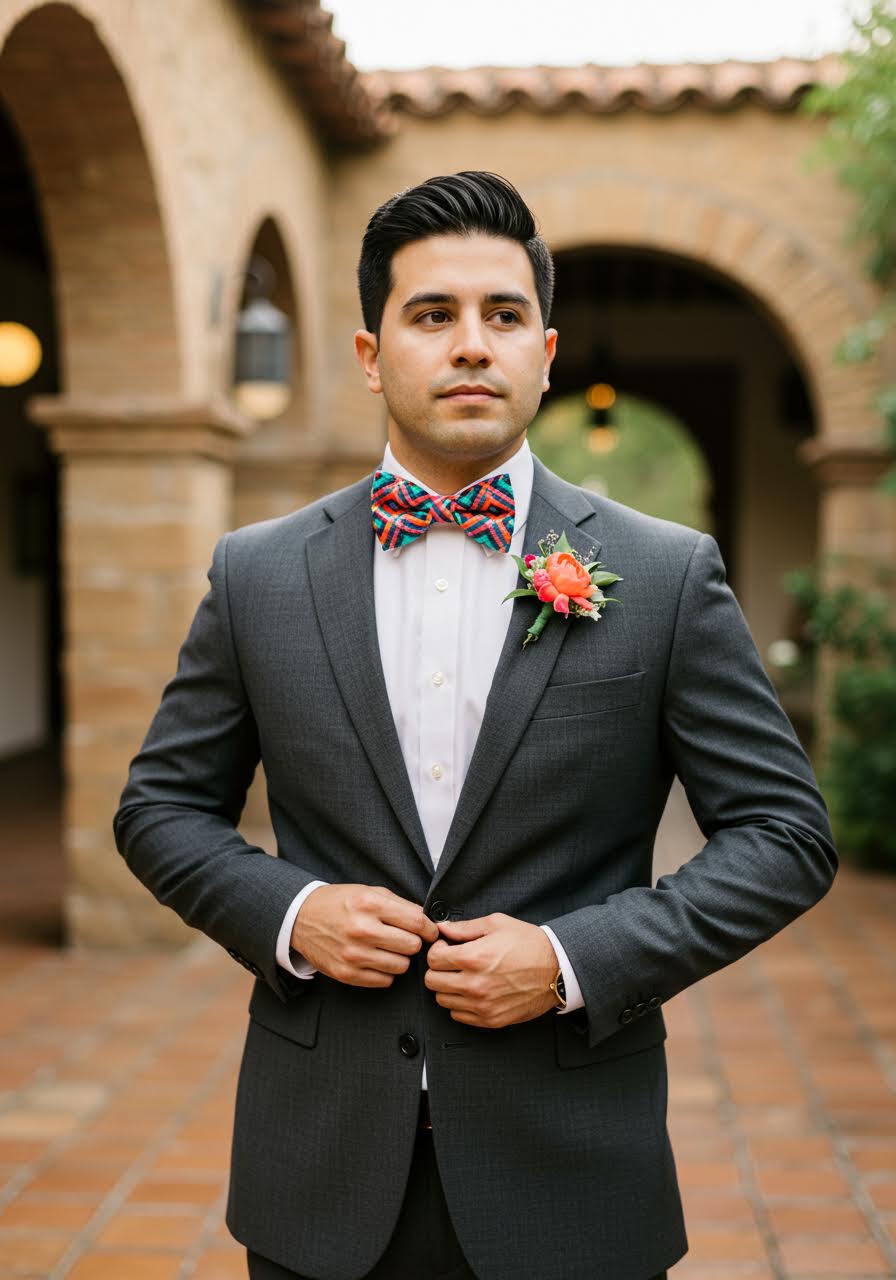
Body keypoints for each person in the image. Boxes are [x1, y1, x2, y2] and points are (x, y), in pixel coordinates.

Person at [113, 171, 837, 1280]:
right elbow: (160, 806)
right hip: (319, 1166)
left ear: (545, 351)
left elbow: (783, 835)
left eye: (502, 315)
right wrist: (292, 909)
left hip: (570, 1167)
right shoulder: (255, 574)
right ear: (370, 355)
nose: (469, 344)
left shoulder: (660, 572)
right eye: (431, 314)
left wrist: (566, 957)